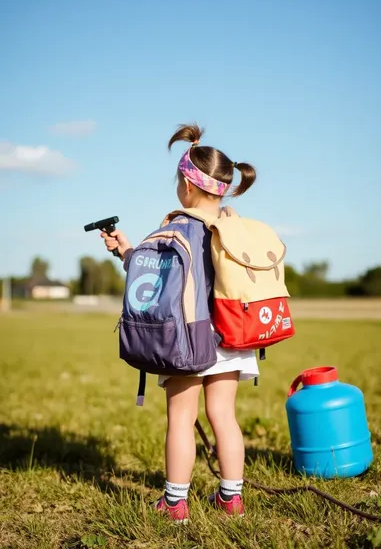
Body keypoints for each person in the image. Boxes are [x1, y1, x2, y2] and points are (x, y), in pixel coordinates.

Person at [101, 124, 259, 523]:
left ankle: (174, 503)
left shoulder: (175, 228)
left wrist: (127, 253)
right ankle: (231, 500)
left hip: (188, 337)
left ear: (187, 186)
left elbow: (156, 284)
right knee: (224, 416)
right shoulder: (233, 227)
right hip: (233, 336)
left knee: (181, 420)